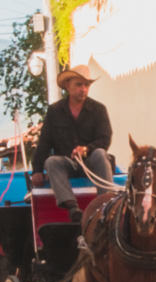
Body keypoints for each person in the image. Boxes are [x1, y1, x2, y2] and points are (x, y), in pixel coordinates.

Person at [31, 64, 114, 223]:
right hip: (67, 163)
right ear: (68, 86)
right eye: (79, 84)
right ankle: (72, 207)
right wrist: (37, 170)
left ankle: (107, 204)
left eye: (86, 85)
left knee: (101, 154)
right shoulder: (54, 111)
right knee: (52, 161)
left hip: (91, 163)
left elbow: (105, 138)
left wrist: (86, 149)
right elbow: (44, 143)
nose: (83, 89)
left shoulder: (98, 109)